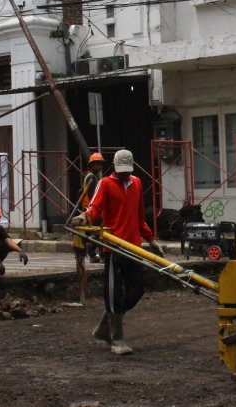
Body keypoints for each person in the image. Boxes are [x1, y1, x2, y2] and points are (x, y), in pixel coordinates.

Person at [71, 149, 165, 355]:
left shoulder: (137, 183)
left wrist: (151, 239)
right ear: (114, 167)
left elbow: (140, 216)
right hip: (113, 246)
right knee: (113, 293)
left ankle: (105, 326)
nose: (124, 174)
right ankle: (117, 339)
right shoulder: (105, 184)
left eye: (127, 171)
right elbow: (95, 208)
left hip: (133, 246)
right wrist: (83, 218)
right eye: (121, 171)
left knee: (137, 290)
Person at [80, 152, 106, 263]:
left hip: (88, 208)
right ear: (92, 165)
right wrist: (98, 209)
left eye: (101, 164)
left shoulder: (90, 176)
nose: (100, 166)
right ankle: (100, 255)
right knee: (99, 232)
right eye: (98, 164)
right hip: (91, 209)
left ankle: (92, 256)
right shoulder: (91, 177)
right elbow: (92, 195)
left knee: (93, 233)